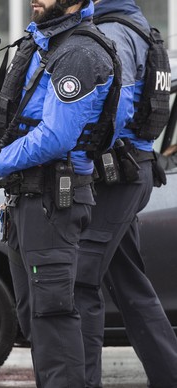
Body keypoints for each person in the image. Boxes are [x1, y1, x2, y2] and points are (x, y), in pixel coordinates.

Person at [0, 0, 119, 386]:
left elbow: (56, 138)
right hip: (25, 200)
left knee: (53, 318)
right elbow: (4, 110)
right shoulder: (39, 42)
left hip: (53, 202)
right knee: (34, 319)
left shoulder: (79, 54)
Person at [73, 1, 177, 387]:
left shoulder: (113, 31)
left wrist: (85, 154)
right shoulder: (135, 24)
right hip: (134, 170)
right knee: (130, 286)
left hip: (118, 175)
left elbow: (118, 105)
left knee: (80, 281)